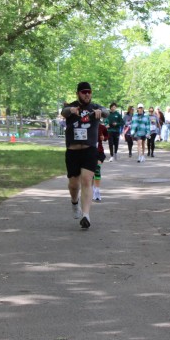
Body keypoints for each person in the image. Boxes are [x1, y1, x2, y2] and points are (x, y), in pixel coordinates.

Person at [60, 81, 108, 229]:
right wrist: (71, 110)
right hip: (73, 151)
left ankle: (86, 215)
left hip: (89, 150)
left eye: (89, 92)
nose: (87, 94)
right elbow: (64, 112)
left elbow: (106, 112)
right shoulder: (71, 107)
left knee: (87, 180)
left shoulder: (95, 107)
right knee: (74, 185)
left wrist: (101, 112)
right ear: (78, 94)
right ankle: (75, 202)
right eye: (84, 92)